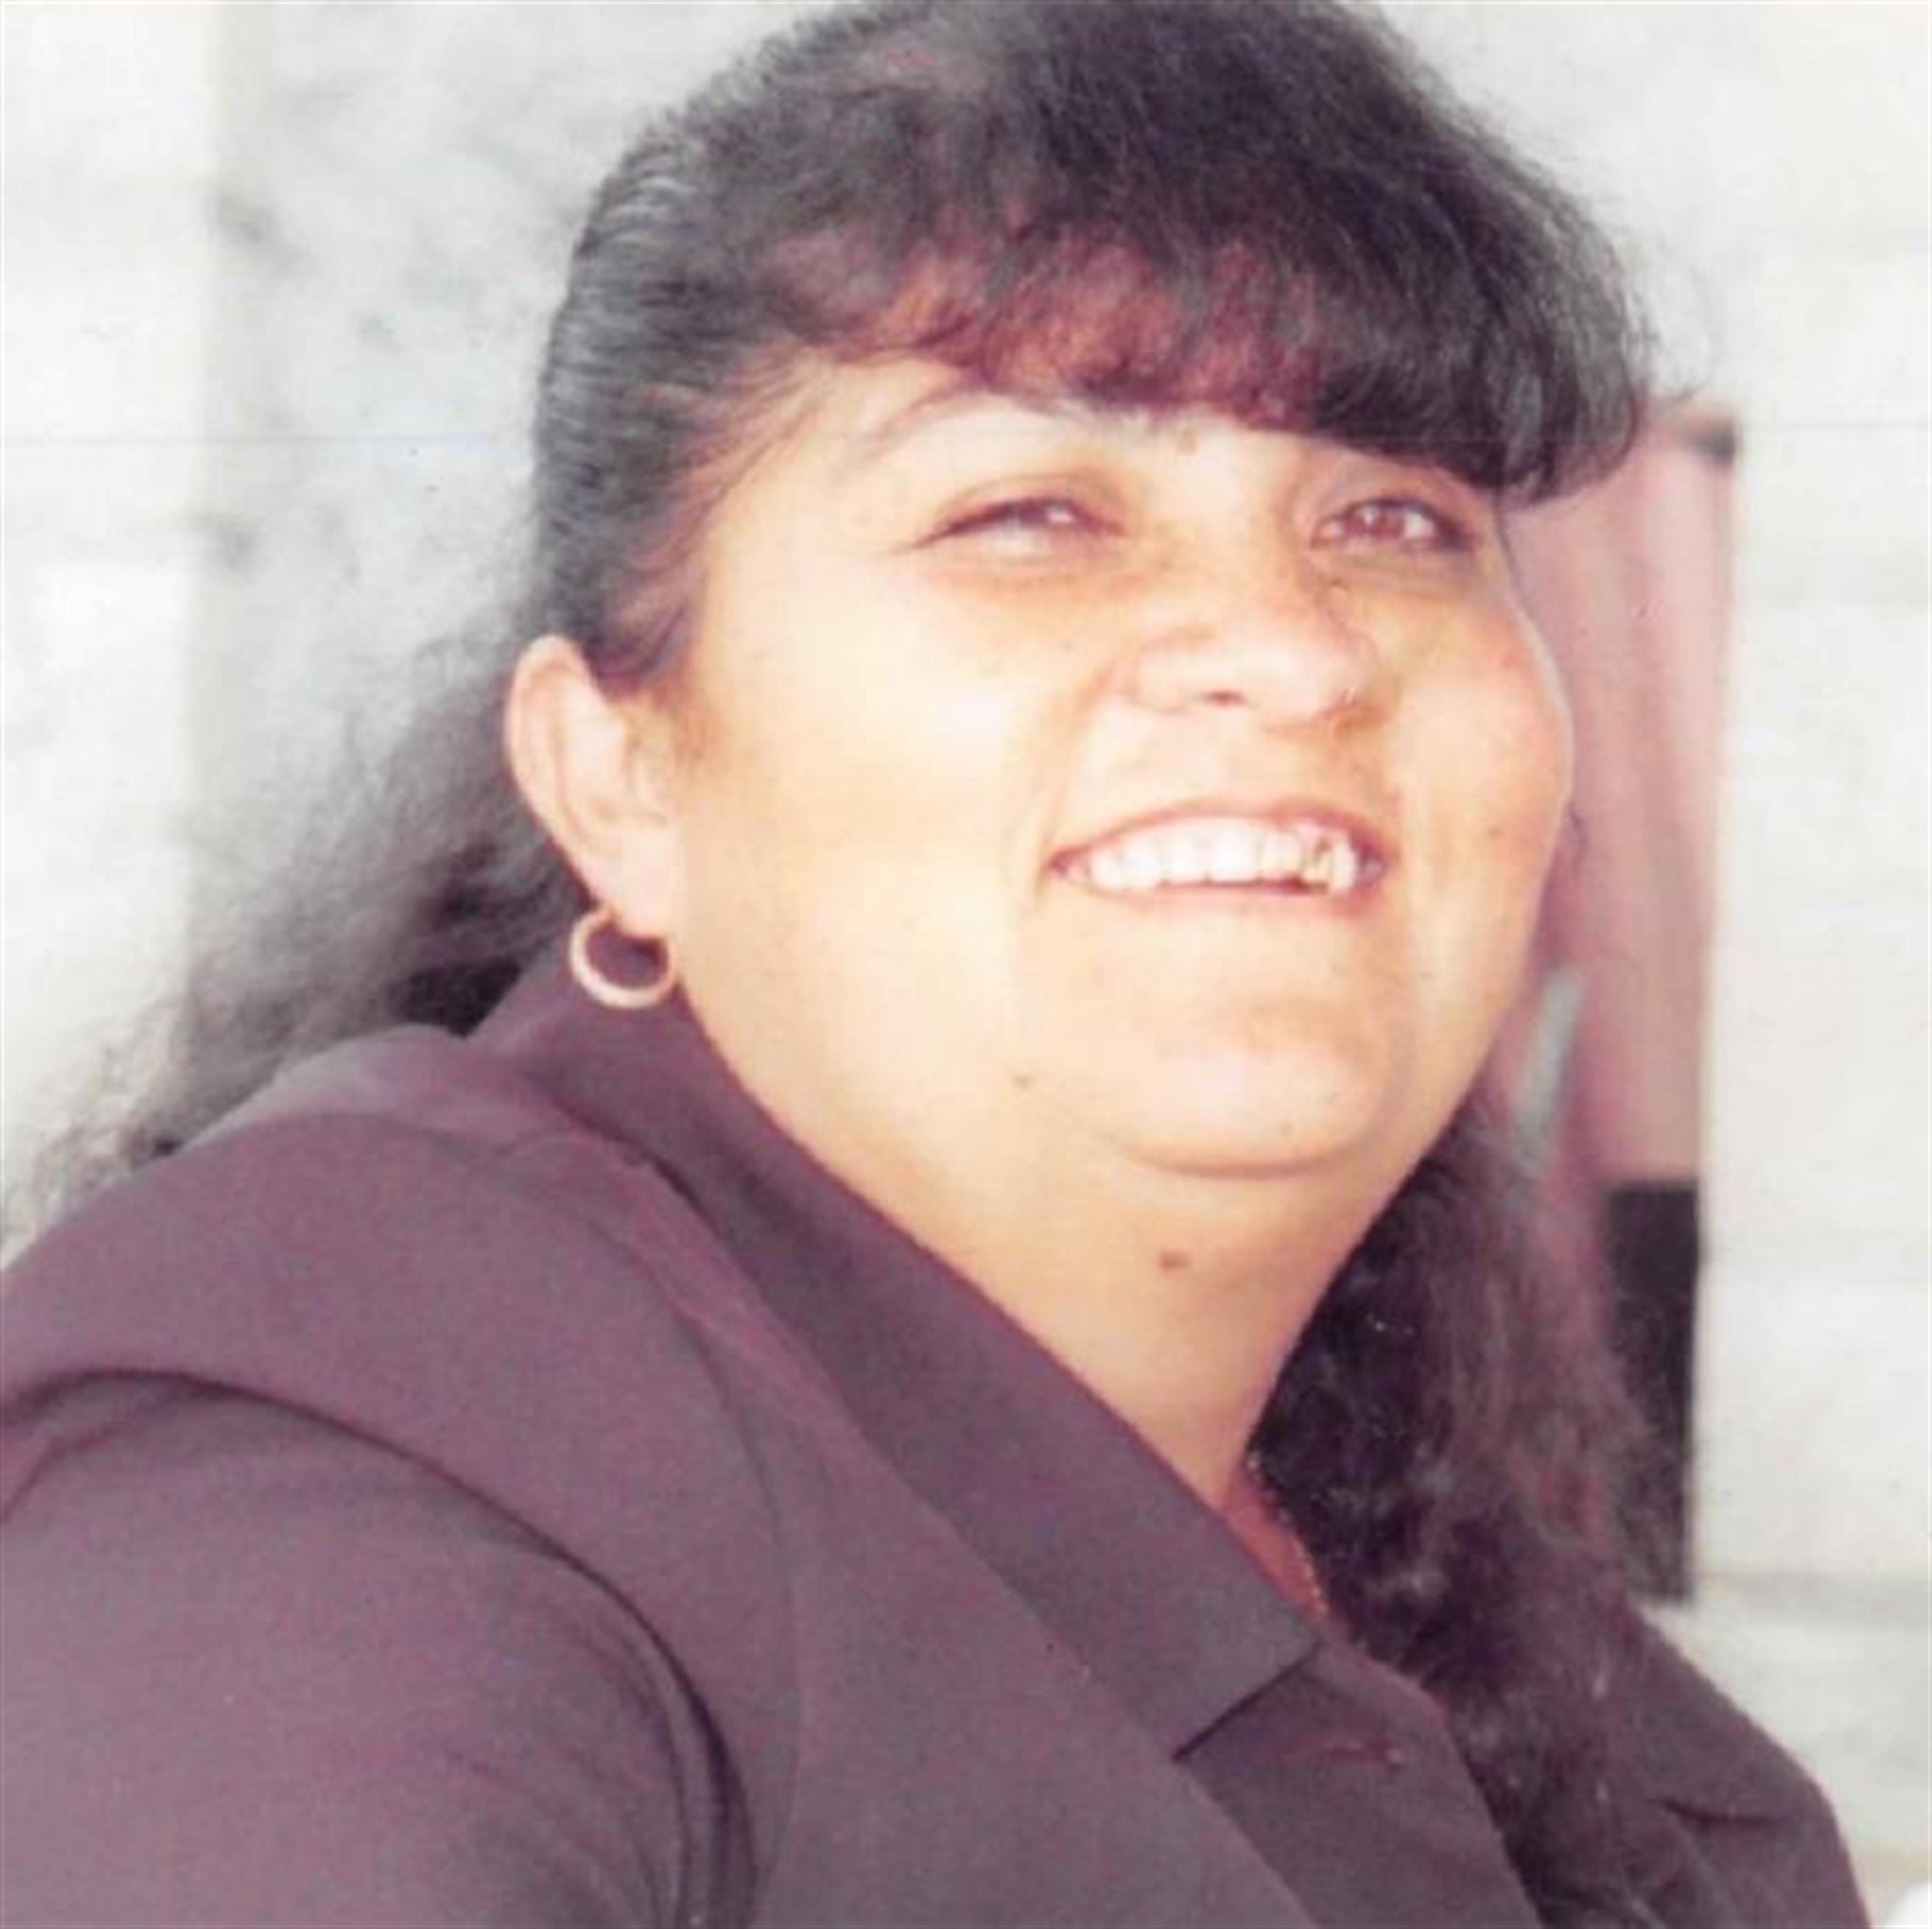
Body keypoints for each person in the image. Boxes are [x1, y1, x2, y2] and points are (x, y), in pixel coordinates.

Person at [0, 2, 1866, 1924]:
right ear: (618, 778)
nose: (1293, 645)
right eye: (1033, 515)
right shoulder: (350, 1492)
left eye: (1393, 519)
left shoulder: (1419, 1564)